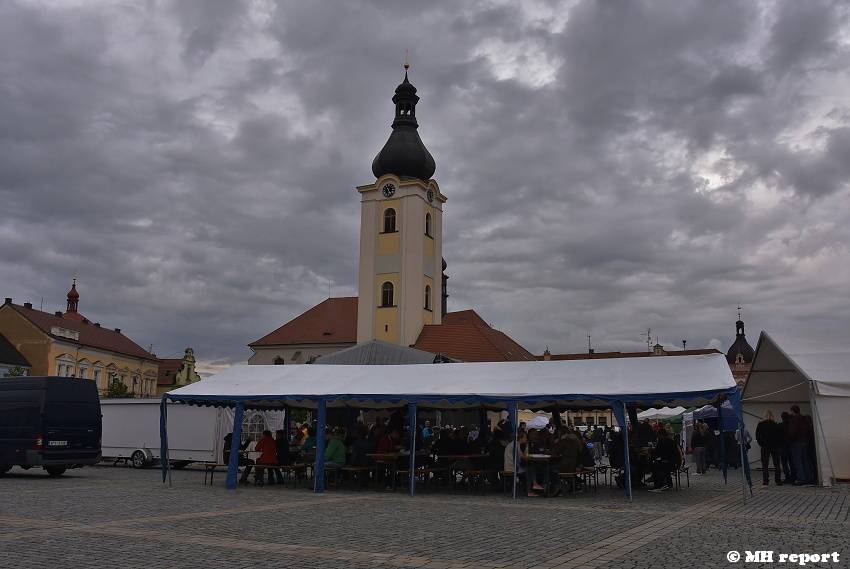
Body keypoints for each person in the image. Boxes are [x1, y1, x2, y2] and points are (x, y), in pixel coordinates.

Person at [788, 405, 814, 485]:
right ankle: (808, 478)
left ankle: (801, 479)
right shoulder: (805, 419)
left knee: (798, 461)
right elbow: (810, 430)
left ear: (792, 411)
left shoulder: (794, 420)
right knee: (805, 460)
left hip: (797, 442)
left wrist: (790, 439)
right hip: (805, 442)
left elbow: (792, 432)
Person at [755, 410, 783, 485]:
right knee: (777, 464)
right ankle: (778, 480)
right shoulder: (775, 424)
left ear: (764, 416)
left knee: (765, 464)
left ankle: (766, 480)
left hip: (765, 446)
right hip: (775, 446)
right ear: (772, 416)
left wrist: (762, 444)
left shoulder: (760, 424)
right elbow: (779, 437)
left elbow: (757, 436)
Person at [649, 427, 681, 491]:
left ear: (661, 435)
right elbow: (658, 452)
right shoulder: (663, 441)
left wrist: (653, 452)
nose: (658, 437)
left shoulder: (669, 442)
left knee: (656, 466)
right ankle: (665, 483)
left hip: (673, 462)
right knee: (656, 465)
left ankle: (660, 484)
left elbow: (666, 453)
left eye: (659, 436)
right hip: (668, 461)